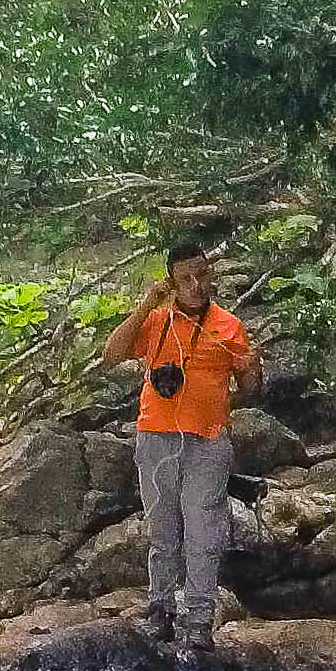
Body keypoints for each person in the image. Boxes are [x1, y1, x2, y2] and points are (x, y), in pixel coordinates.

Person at [99, 242, 262, 650]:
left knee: (204, 528)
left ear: (210, 274)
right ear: (171, 283)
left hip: (207, 441)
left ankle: (200, 620)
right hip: (156, 437)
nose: (195, 285)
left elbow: (251, 388)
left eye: (201, 275)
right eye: (185, 279)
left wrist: (248, 373)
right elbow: (111, 355)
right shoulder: (155, 321)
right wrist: (144, 307)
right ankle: (161, 611)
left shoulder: (229, 326)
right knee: (162, 530)